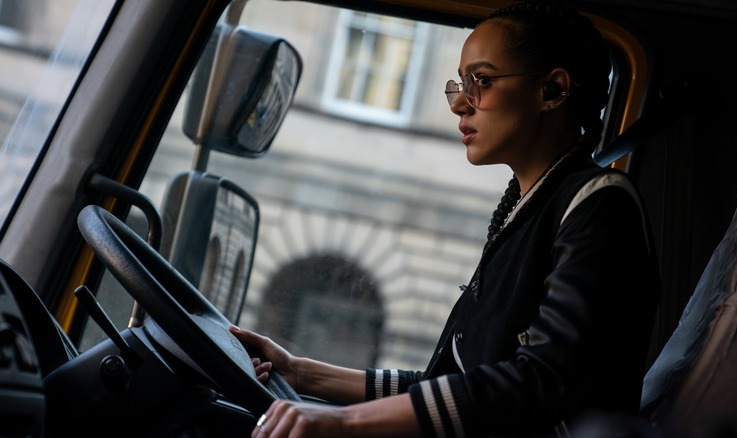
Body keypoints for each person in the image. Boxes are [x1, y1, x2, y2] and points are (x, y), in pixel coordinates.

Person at [229, 1, 661, 436]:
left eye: (482, 82)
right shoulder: (526, 208)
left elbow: (541, 381)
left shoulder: (599, 205)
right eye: (460, 84)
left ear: (553, 90)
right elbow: (446, 385)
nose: (459, 105)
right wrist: (301, 373)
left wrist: (342, 422)